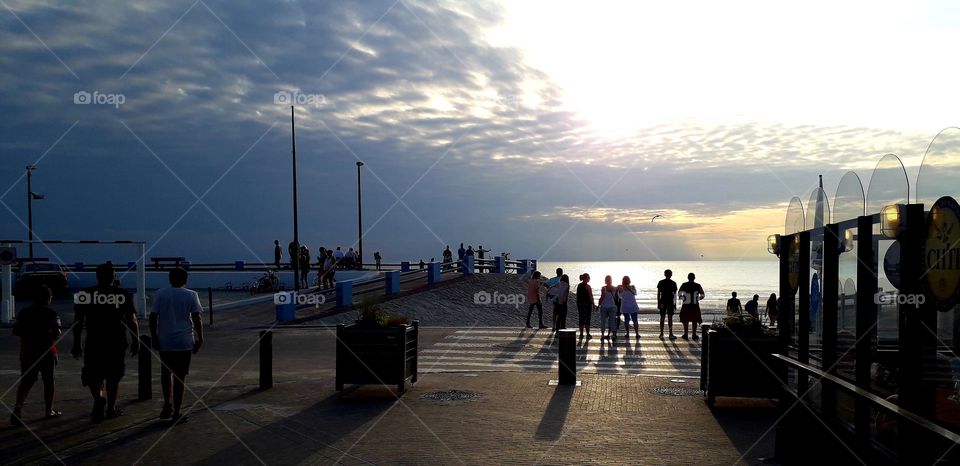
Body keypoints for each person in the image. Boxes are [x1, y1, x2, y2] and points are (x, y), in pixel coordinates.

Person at [72, 262, 139, 424]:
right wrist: (135, 340)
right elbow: (131, 320)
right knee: (113, 375)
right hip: (116, 340)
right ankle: (111, 408)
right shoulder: (122, 294)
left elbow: (78, 321)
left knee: (93, 373)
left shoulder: (85, 293)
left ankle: (98, 398)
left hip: (94, 339)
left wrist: (76, 342)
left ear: (97, 276)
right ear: (113, 276)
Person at [150, 267, 204, 424]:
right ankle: (177, 412)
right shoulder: (191, 295)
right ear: (185, 279)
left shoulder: (161, 294)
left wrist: (154, 336)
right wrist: (200, 338)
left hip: (165, 340)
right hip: (184, 341)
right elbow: (197, 318)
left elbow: (153, 317)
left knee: (166, 373)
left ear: (170, 279)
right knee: (180, 376)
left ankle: (167, 404)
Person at [10, 285, 62, 427]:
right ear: (47, 299)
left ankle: (18, 408)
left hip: (27, 351)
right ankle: (48, 410)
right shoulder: (51, 313)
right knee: (49, 381)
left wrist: (29, 335)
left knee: (26, 381)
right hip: (47, 351)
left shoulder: (24, 312)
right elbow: (56, 332)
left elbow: (16, 330)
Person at [678, 273, 705, 340]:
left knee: (685, 319)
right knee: (695, 319)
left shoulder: (684, 285)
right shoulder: (697, 285)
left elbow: (679, 293)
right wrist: (698, 299)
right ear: (694, 278)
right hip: (694, 304)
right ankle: (694, 334)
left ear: (688, 277)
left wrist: (683, 298)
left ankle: (686, 334)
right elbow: (702, 294)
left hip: (686, 304)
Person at [656, 269, 678, 339]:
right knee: (670, 318)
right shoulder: (673, 283)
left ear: (664, 274)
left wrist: (658, 302)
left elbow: (658, 293)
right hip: (670, 301)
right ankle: (670, 334)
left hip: (663, 301)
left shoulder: (661, 282)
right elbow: (675, 295)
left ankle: (661, 333)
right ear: (671, 275)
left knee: (662, 317)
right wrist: (675, 304)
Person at [597, 275, 618, 340]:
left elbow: (602, 297)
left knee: (603, 321)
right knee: (612, 321)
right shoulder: (615, 288)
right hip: (612, 306)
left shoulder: (603, 288)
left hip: (604, 306)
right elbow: (617, 297)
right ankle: (614, 335)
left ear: (605, 280)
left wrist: (598, 305)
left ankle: (603, 335)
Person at [576, 273, 594, 339]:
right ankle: (588, 334)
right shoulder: (587, 286)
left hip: (580, 304)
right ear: (586, 278)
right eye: (589, 277)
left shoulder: (579, 285)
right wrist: (593, 303)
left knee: (581, 318)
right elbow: (590, 296)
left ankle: (581, 334)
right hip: (587, 304)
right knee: (587, 319)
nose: (589, 279)